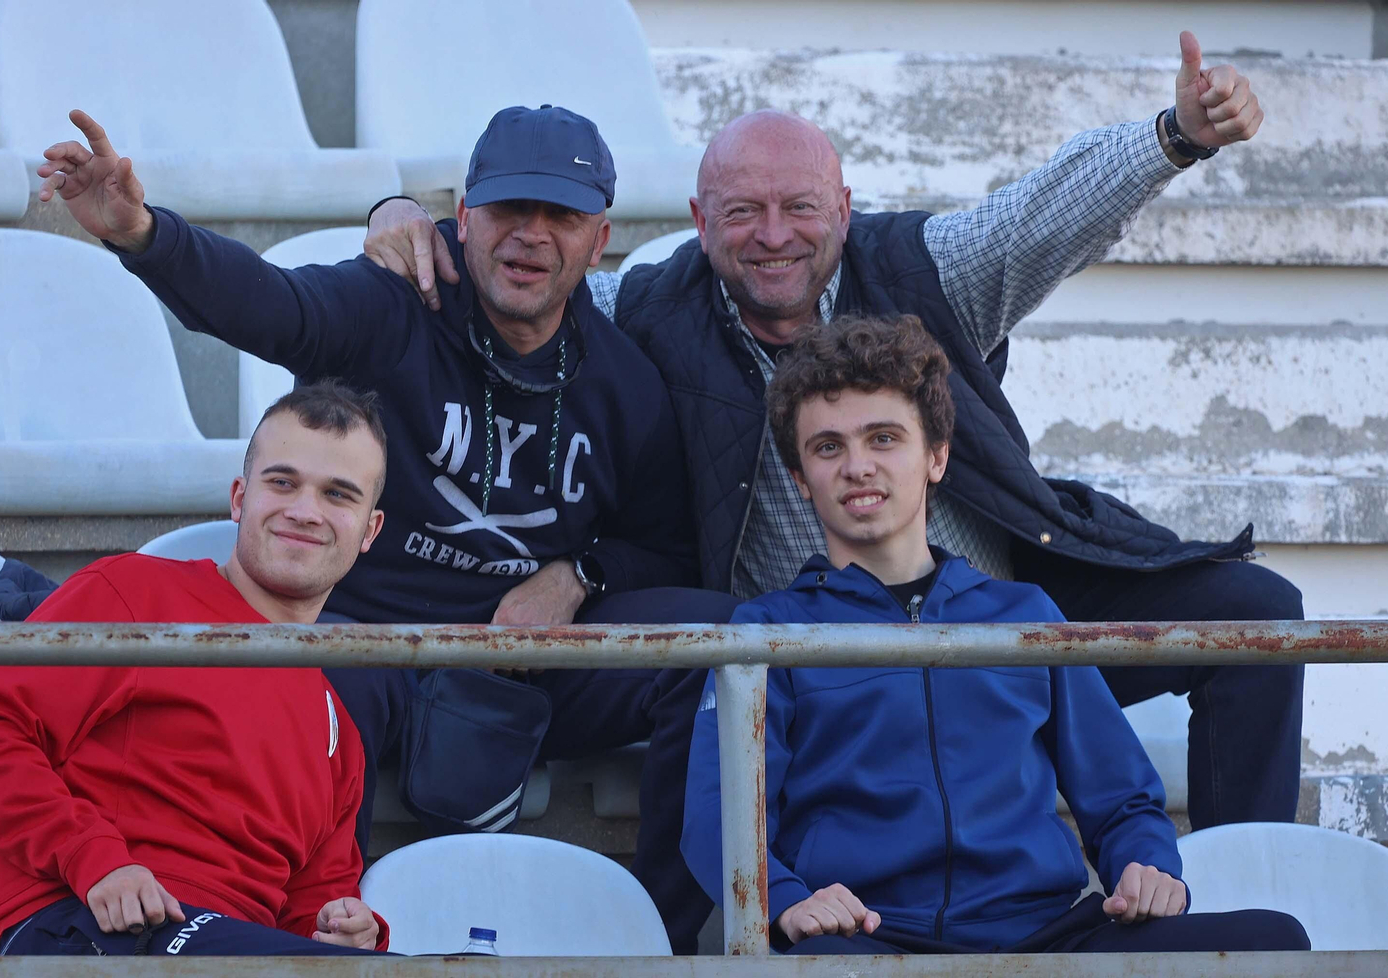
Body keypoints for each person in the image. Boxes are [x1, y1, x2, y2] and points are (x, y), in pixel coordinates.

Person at [364, 30, 1303, 833]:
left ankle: (1244, 878)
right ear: (699, 222)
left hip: (1000, 627)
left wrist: (1174, 138)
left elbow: (1042, 215)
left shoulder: (929, 271)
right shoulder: (643, 310)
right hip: (815, 661)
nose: (773, 234)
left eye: (800, 207)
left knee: (1258, 616)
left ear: (843, 209)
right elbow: (521, 280)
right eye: (742, 213)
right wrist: (406, 221)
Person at [34, 103, 737, 951]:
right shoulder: (394, 301)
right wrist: (146, 234)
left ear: (601, 238)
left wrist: (578, 575)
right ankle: (313, 938)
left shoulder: (624, 382)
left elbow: (661, 550)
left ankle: (659, 939)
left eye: (563, 216)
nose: (532, 237)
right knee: (309, 678)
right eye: (511, 209)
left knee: (725, 645)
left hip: (528, 656)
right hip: (367, 642)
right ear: (465, 217)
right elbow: (269, 305)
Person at [681, 314, 1310, 956]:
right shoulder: (768, 633)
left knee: (1275, 942)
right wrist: (787, 900)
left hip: (1045, 937)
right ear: (799, 478)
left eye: (884, 438)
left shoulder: (1023, 616)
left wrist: (1145, 865)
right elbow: (716, 811)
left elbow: (1121, 795)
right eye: (828, 447)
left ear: (936, 456)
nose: (858, 467)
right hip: (869, 938)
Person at [0, 382, 393, 957]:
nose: (304, 511)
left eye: (337, 495)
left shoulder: (339, 731)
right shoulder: (135, 595)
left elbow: (313, 907)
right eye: (282, 482)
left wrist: (350, 931)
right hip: (89, 922)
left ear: (369, 530)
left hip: (228, 947)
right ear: (238, 497)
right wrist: (94, 860)